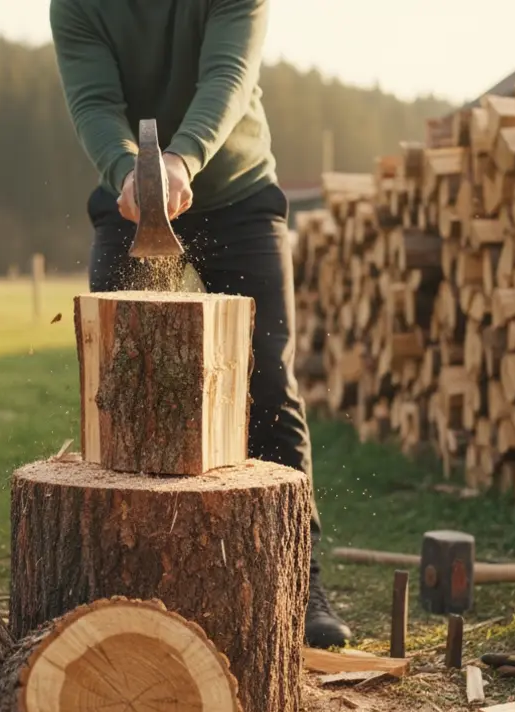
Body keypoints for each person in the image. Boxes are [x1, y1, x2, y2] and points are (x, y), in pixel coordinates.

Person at [49, 0, 353, 648]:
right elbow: (93, 103)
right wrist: (129, 171)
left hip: (238, 192)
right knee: (118, 385)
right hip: (128, 198)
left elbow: (228, 77)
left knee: (267, 381)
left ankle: (299, 577)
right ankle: (120, 581)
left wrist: (182, 159)